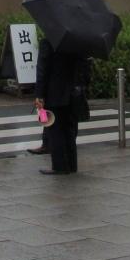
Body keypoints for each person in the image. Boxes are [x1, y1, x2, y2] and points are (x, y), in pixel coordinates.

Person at [33, 38, 91, 175]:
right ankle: (71, 164)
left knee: (55, 130)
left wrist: (39, 94)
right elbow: (86, 67)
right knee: (69, 129)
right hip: (73, 93)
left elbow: (42, 70)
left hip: (54, 93)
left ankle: (60, 166)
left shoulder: (49, 41)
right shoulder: (78, 41)